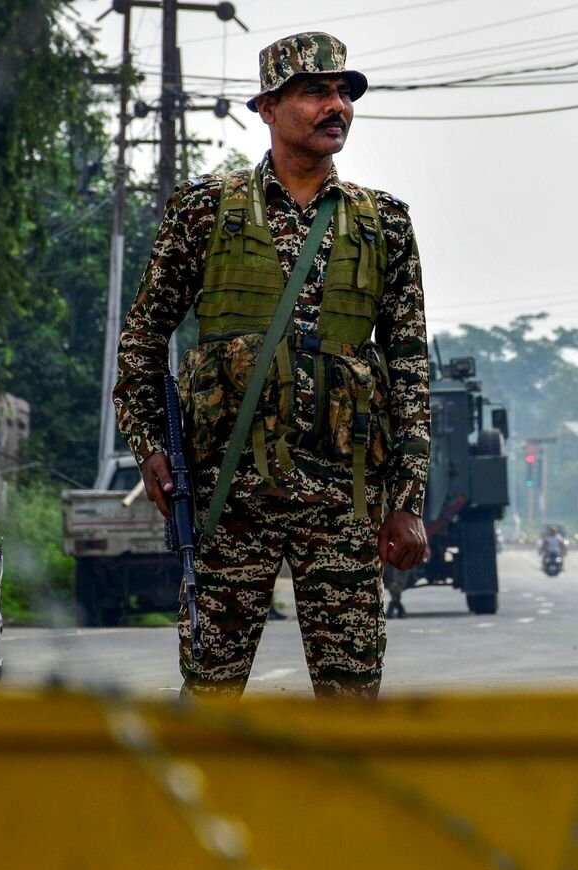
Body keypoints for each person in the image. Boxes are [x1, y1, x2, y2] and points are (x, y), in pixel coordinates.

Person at [114, 33, 430, 699]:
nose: (335, 105)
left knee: (351, 707)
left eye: (344, 92)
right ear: (267, 106)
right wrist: (148, 446)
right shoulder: (204, 211)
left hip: (344, 503)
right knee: (209, 697)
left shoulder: (386, 225)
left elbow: (409, 372)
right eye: (316, 91)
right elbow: (142, 341)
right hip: (229, 500)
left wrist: (405, 503)